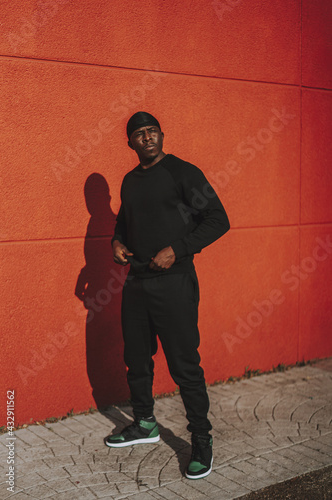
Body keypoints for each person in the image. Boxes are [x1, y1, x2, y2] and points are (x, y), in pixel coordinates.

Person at [105, 111, 230, 479]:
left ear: (161, 135)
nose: (146, 138)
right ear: (130, 143)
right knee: (137, 359)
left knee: (184, 365)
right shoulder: (129, 181)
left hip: (174, 283)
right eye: (138, 134)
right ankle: (144, 423)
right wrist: (116, 241)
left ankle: (202, 440)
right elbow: (124, 222)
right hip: (136, 283)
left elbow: (218, 219)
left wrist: (177, 248)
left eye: (151, 131)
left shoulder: (183, 172)